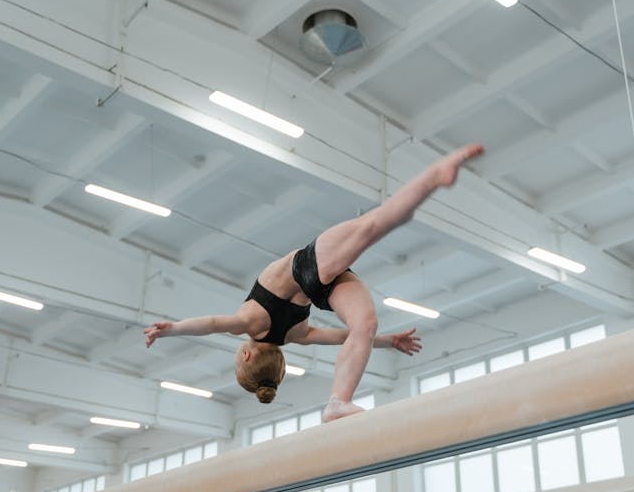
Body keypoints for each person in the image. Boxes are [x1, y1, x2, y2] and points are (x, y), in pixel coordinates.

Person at [145, 144, 484, 422]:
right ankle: (433, 177)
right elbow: (213, 324)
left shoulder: (295, 336)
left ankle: (339, 401)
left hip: (321, 286)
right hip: (308, 268)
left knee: (363, 324)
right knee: (374, 226)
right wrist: (171, 328)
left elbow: (343, 337)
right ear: (246, 354)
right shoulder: (255, 324)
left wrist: (386, 342)